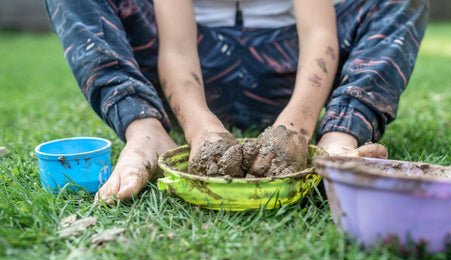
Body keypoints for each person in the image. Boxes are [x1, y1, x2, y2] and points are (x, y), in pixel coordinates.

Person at [44, 0, 428, 204]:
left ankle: (338, 141)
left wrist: (295, 129)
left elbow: (319, 33)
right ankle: (146, 131)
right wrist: (200, 127)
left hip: (286, 65)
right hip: (193, 64)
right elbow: (176, 48)